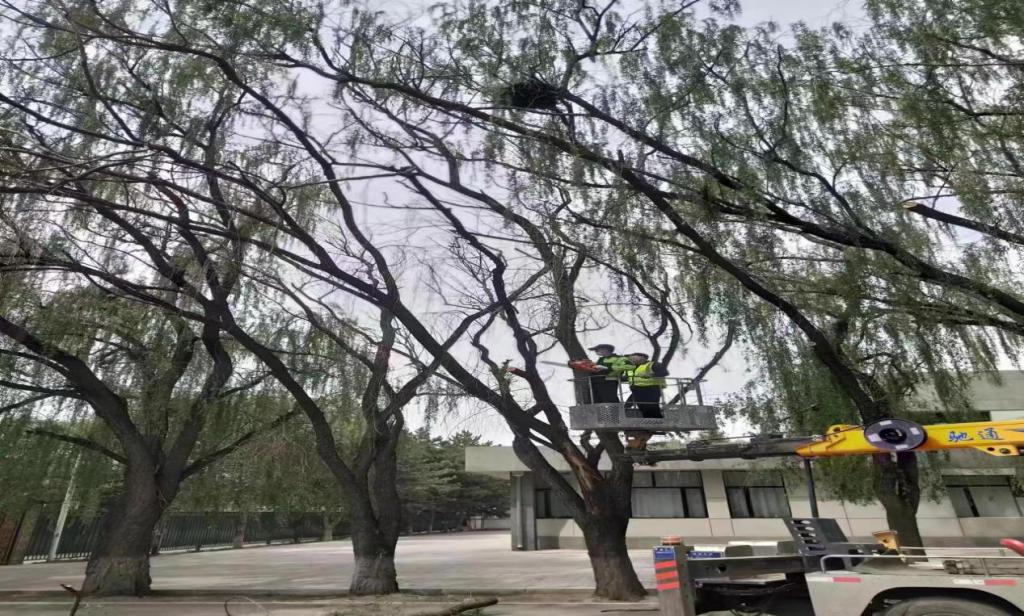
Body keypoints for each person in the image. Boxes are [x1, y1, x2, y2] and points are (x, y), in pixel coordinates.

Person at [623, 352, 669, 450]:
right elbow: (626, 377)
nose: (631, 359)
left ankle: (658, 424)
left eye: (633, 357)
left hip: (651, 388)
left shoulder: (652, 364)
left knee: (651, 407)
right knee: (641, 407)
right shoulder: (631, 368)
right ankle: (649, 425)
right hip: (636, 389)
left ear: (642, 357)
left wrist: (650, 375)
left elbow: (664, 372)